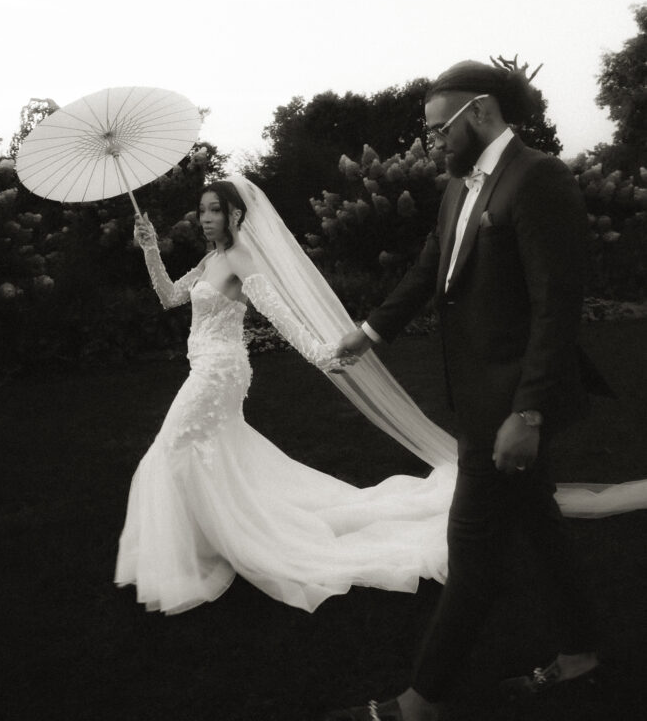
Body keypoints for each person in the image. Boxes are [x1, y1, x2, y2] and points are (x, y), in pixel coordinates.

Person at [327, 60, 606, 721]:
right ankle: (583, 652)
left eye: (438, 129)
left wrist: (529, 411)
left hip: (510, 404)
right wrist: (371, 329)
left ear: (479, 112)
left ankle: (421, 701)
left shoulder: (538, 178)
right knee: (540, 525)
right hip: (479, 395)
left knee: (472, 547)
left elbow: (556, 307)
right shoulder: (459, 186)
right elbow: (435, 263)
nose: (431, 143)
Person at [114, 178, 457, 616]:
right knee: (201, 453)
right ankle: (207, 542)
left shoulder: (240, 258)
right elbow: (169, 297)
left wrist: (319, 353)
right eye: (202, 210)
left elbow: (279, 314)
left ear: (235, 214)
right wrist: (149, 249)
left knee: (175, 445)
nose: (205, 218)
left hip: (220, 371)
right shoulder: (210, 259)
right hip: (204, 366)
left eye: (214, 210)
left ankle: (192, 555)